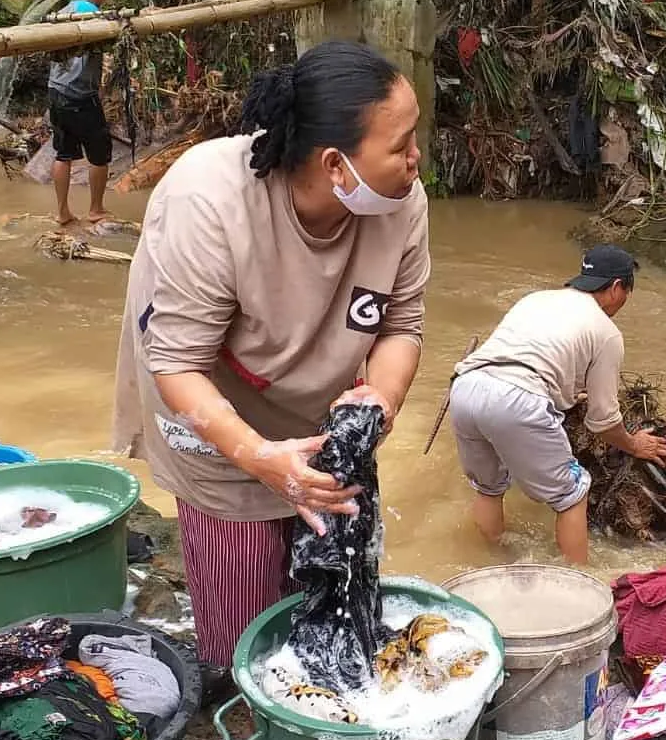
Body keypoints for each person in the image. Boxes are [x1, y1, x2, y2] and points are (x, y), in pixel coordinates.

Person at [112, 40, 429, 678]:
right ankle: (253, 736)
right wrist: (258, 456)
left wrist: (382, 399)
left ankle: (321, 709)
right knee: (245, 617)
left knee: (336, 589)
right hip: (212, 409)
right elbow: (177, 365)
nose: (417, 158)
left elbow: (402, 323)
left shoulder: (398, 203)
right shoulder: (210, 202)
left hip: (317, 411)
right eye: (402, 145)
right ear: (336, 164)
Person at [449, 244, 666, 565]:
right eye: (627, 292)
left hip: (467, 386)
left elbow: (530, 356)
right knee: (573, 495)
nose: (624, 302)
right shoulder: (606, 332)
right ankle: (579, 582)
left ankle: (494, 565)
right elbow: (603, 422)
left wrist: (568, 392)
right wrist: (634, 444)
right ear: (615, 288)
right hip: (518, 399)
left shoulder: (535, 299)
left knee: (489, 488)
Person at [48, 0, 113, 226]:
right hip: (80, 95)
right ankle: (96, 209)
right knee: (99, 154)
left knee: (63, 153)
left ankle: (62, 212)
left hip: (55, 91)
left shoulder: (63, 11)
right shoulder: (95, 16)